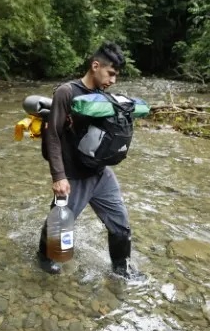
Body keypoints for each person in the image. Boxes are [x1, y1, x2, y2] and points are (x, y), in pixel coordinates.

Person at [36, 41, 136, 278]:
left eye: (116, 76)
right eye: (110, 73)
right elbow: (53, 135)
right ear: (95, 65)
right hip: (73, 175)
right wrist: (59, 176)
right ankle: (43, 256)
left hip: (100, 173)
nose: (113, 80)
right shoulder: (66, 92)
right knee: (60, 225)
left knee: (120, 223)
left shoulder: (103, 97)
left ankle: (122, 270)